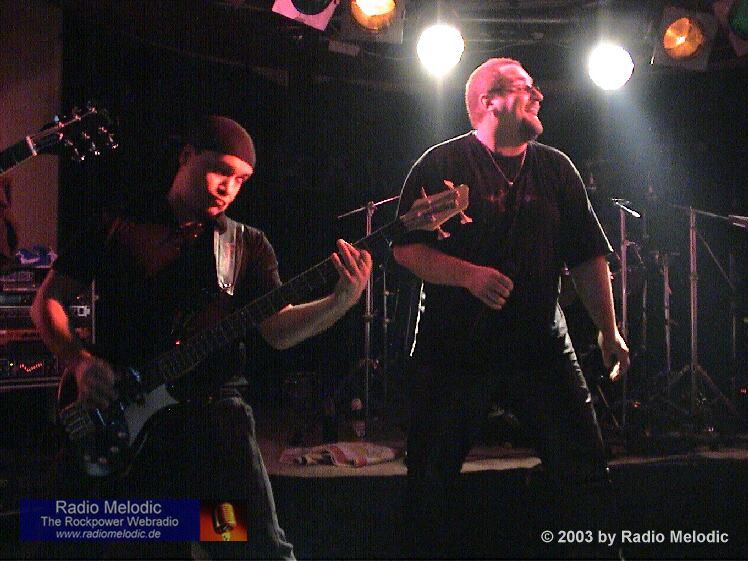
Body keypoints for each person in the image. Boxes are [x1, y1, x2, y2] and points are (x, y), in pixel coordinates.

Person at [31, 115, 372, 559]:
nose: (228, 187)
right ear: (187, 156)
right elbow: (47, 301)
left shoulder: (246, 245)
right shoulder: (118, 223)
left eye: (241, 179)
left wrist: (339, 302)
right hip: (123, 416)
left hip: (214, 424)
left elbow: (278, 330)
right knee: (131, 541)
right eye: (220, 171)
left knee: (253, 547)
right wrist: (78, 360)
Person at [392, 58, 630, 558]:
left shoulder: (556, 168)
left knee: (585, 472)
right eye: (525, 88)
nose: (538, 95)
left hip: (540, 345)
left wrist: (608, 330)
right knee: (429, 480)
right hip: (455, 349)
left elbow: (586, 255)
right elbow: (406, 248)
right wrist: (468, 275)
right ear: (489, 102)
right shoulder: (440, 164)